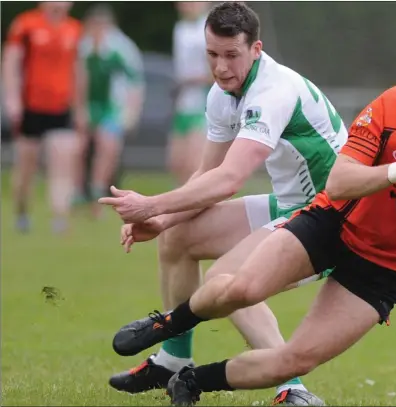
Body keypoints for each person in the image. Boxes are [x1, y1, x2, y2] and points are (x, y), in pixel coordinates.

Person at [108, 15, 396, 406]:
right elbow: (337, 184)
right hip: (332, 222)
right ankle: (170, 331)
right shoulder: (393, 105)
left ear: (255, 49)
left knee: (294, 359)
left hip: (388, 268)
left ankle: (193, 379)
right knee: (234, 284)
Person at [99, 2, 347, 405]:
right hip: (292, 205)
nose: (221, 67)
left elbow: (230, 179)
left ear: (256, 49)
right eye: (212, 54)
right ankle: (173, 361)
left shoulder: (273, 92)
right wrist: (162, 218)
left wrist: (150, 205)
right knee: (179, 237)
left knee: (225, 283)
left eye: (231, 55)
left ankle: (292, 386)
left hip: (332, 219)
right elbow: (207, 174)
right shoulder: (222, 94)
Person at [2, 1, 84, 234]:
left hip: (61, 107)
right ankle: (22, 211)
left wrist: (80, 107)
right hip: (31, 107)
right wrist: (12, 99)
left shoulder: (74, 29)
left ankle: (59, 217)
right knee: (27, 167)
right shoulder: (26, 24)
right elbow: (11, 61)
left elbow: (78, 70)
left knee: (62, 162)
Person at [73, 4, 145, 217]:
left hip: (112, 108)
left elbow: (135, 81)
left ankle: (98, 192)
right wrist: (79, 108)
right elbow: (79, 78)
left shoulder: (120, 49)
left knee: (107, 146)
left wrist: (131, 112)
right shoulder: (83, 46)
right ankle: (77, 191)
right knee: (79, 147)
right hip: (91, 104)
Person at [168, 1, 213, 185]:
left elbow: (217, 72)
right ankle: (182, 208)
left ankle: (197, 209)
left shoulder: (210, 29)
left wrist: (193, 80)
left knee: (194, 164)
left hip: (202, 104)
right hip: (182, 104)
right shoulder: (179, 29)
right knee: (176, 163)